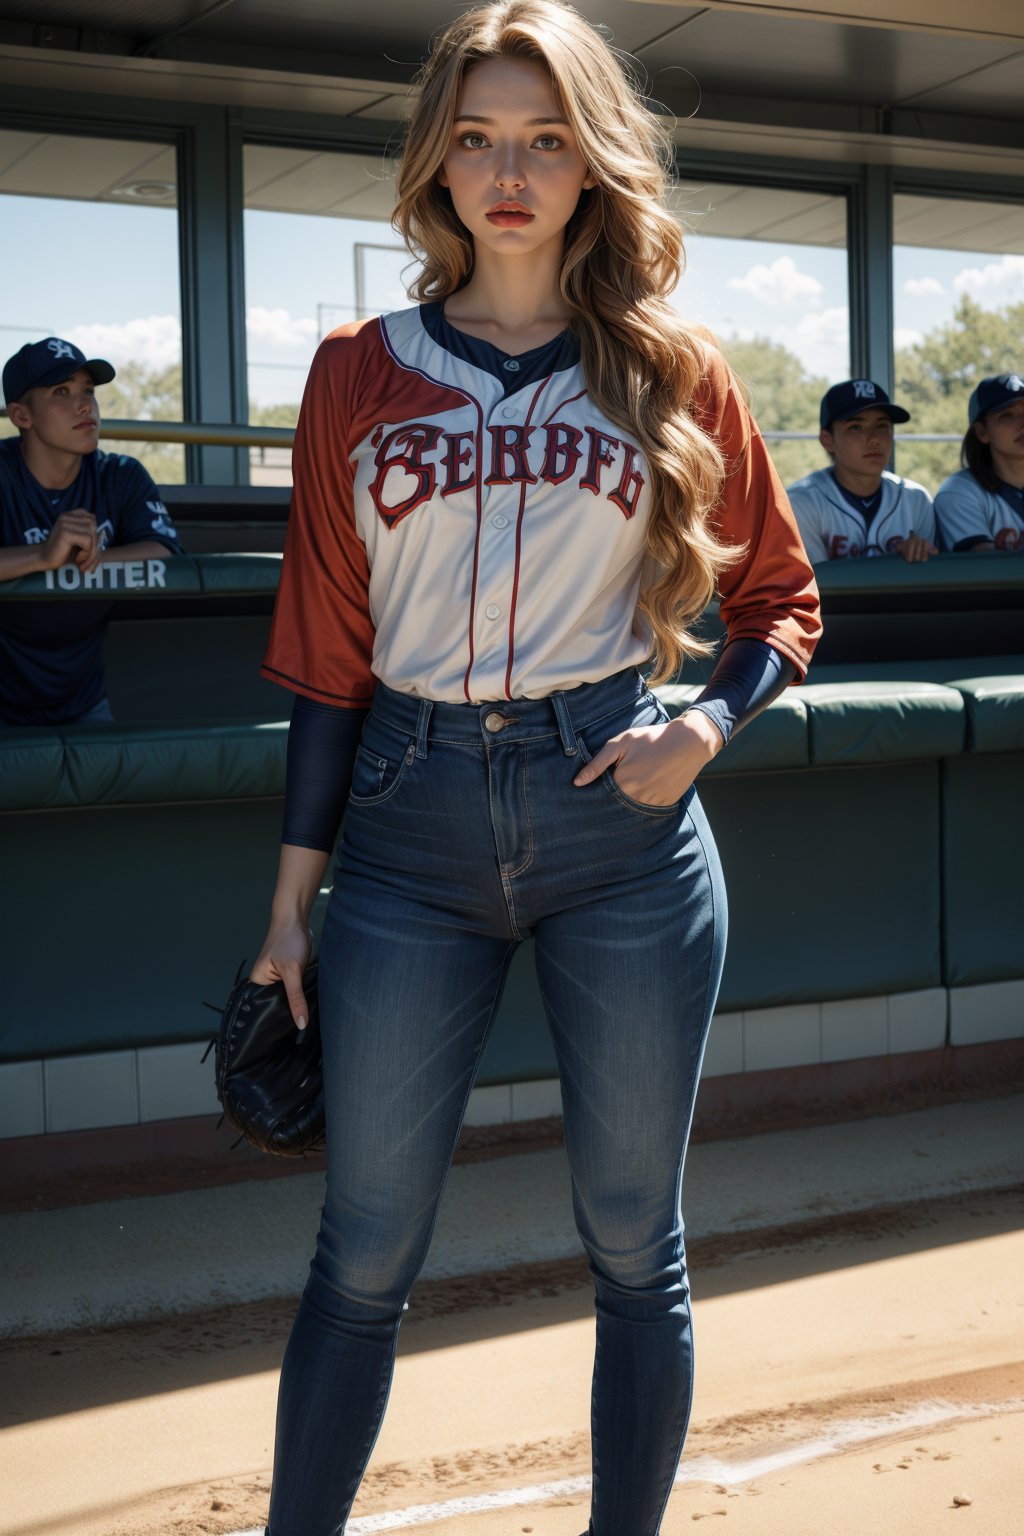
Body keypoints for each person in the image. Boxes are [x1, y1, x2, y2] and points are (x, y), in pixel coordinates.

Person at [252, 4, 820, 1533]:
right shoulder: (358, 373)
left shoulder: (669, 368)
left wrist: (708, 725)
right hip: (408, 820)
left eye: (549, 137)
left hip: (616, 818)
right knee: (362, 1254)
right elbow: (324, 655)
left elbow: (781, 599)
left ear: (592, 163)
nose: (512, 170)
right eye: (482, 136)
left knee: (639, 1242)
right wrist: (290, 906)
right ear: (439, 158)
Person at [0, 337, 182, 726]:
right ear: (21, 415)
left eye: (88, 391)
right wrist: (42, 555)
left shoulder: (120, 474)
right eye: (61, 392)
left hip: (84, 701)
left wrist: (80, 559)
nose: (85, 405)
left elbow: (164, 551)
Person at [786, 378, 937, 563]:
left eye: (882, 426)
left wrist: (917, 554)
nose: (874, 439)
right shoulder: (801, 503)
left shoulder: (916, 499)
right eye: (855, 427)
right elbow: (816, 586)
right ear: (827, 440)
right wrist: (895, 562)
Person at [934, 372, 1024, 553]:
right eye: (1007, 415)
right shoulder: (959, 491)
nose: (1022, 422)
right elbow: (985, 567)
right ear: (982, 432)